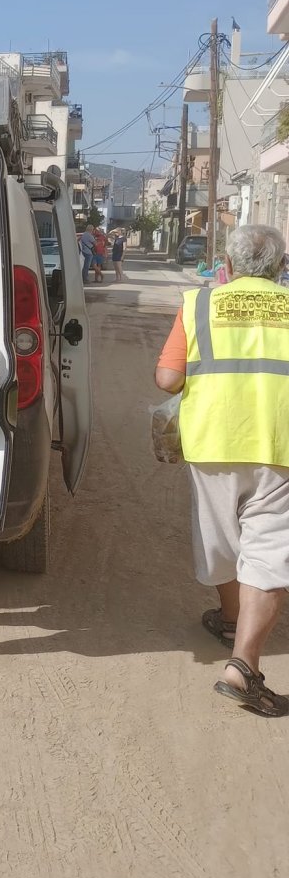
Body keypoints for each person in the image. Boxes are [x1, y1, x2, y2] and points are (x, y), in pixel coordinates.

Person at [155, 224, 289, 717]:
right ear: (280, 268)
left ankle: (233, 623)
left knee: (223, 543)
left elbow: (168, 377)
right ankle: (243, 662)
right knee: (269, 551)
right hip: (281, 444)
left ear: (227, 268)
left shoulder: (199, 305)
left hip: (212, 441)